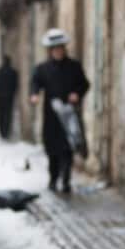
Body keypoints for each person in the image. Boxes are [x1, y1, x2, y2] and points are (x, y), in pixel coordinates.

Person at [30, 29, 90, 193]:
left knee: (67, 149)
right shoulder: (43, 68)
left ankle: (66, 180)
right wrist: (34, 95)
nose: (58, 51)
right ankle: (53, 178)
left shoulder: (74, 67)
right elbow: (35, 83)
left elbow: (84, 84)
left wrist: (76, 94)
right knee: (52, 150)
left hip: (69, 115)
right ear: (51, 51)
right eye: (55, 48)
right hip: (51, 116)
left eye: (60, 48)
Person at [0, 55, 18, 140]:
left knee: (1, 114)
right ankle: (6, 131)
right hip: (9, 96)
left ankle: (2, 131)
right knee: (7, 114)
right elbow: (15, 84)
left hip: (0, 96)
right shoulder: (13, 72)